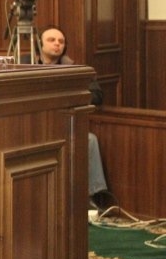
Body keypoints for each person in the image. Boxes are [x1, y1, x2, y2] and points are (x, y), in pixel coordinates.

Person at [36, 25, 110, 201]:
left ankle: (93, 196)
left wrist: (70, 97)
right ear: (39, 44)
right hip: (35, 126)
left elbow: (97, 95)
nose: (57, 44)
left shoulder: (75, 68)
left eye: (61, 41)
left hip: (63, 124)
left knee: (90, 140)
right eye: (51, 40)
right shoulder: (23, 63)